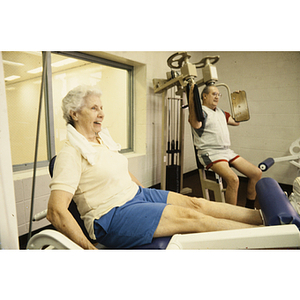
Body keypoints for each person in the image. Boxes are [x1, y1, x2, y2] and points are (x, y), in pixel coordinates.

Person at [47, 85, 264, 250]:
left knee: (196, 204)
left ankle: (263, 217)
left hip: (137, 195)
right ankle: (268, 237)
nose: (101, 113)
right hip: (110, 215)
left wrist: (145, 194)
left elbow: (121, 171)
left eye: (101, 108)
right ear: (74, 114)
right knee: (193, 219)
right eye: (94, 108)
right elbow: (55, 211)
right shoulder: (71, 153)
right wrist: (89, 251)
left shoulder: (102, 138)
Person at [188, 83, 262, 207]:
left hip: (226, 151)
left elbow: (237, 122)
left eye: (218, 94)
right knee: (233, 180)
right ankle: (231, 214)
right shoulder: (201, 112)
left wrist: (239, 102)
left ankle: (249, 207)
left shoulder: (221, 112)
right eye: (213, 94)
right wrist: (191, 98)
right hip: (210, 153)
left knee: (256, 173)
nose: (217, 97)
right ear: (204, 96)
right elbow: (195, 124)